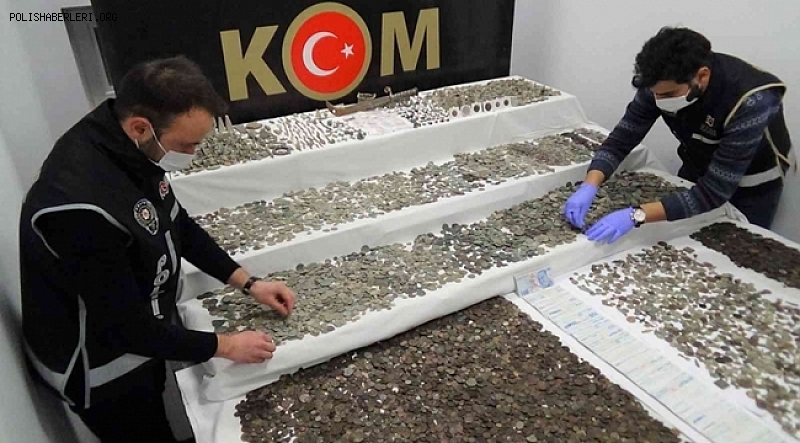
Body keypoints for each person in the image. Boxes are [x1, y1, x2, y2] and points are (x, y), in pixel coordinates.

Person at [19, 56, 296, 443]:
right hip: (99, 370)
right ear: (140, 127)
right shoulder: (81, 208)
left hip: (139, 335)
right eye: (186, 145)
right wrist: (227, 345)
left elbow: (176, 222)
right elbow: (127, 330)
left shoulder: (127, 145)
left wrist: (249, 283)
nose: (193, 155)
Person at [563, 27, 794, 243]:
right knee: (682, 235)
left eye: (668, 94)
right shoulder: (660, 83)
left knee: (738, 246)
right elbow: (621, 140)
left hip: (752, 185)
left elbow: (713, 193)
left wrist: (636, 216)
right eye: (655, 93)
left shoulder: (752, 101)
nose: (659, 100)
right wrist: (590, 185)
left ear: (701, 76)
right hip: (698, 164)